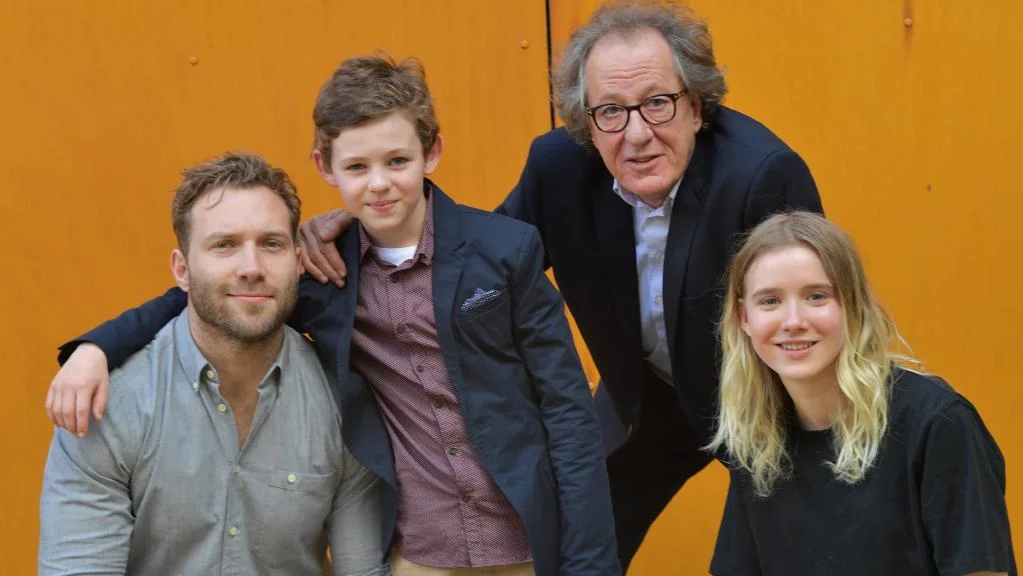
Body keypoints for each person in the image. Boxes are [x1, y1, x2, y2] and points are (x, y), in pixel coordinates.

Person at [294, 2, 824, 566]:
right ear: (586, 121)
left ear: (696, 107)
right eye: (610, 111)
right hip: (646, 398)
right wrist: (355, 228)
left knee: (778, 555)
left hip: (759, 399)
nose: (636, 133)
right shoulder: (559, 168)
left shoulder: (762, 174)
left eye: (658, 103)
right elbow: (471, 261)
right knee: (583, 543)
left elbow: (818, 307)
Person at [44, 56, 619, 576]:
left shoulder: (506, 249)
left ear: (432, 153)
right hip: (418, 552)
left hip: (526, 540)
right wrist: (96, 348)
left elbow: (568, 416)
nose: (379, 183)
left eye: (397, 160)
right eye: (357, 166)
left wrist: (589, 564)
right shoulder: (323, 274)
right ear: (325, 166)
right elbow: (213, 296)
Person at [38, 153, 387, 575]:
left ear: (298, 263)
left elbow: (364, 570)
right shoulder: (111, 404)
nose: (251, 268)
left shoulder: (341, 400)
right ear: (182, 270)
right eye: (225, 245)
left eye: (271, 244)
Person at [706, 211, 1016, 576]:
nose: (792, 321)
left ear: (852, 305)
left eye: (816, 296)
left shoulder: (937, 422)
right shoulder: (758, 440)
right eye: (770, 301)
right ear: (744, 317)